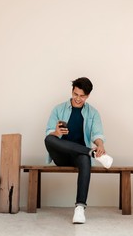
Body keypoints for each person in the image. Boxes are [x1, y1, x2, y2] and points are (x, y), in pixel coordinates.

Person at [44, 77, 113, 224]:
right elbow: (49, 133)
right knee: (49, 139)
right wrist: (56, 133)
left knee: (84, 159)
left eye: (82, 96)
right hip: (61, 155)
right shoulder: (58, 109)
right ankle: (89, 151)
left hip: (79, 156)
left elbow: (97, 134)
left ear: (87, 96)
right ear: (72, 91)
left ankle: (80, 208)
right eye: (75, 94)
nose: (78, 98)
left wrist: (100, 145)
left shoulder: (93, 113)